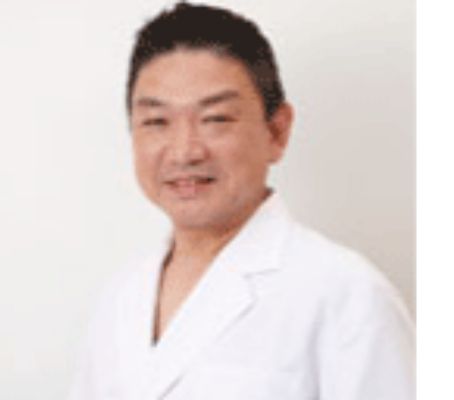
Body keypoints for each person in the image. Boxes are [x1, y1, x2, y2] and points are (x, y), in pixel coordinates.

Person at [68, 2, 414, 399]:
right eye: (156, 122)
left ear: (276, 131)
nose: (184, 151)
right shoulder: (121, 296)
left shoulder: (346, 295)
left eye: (215, 119)